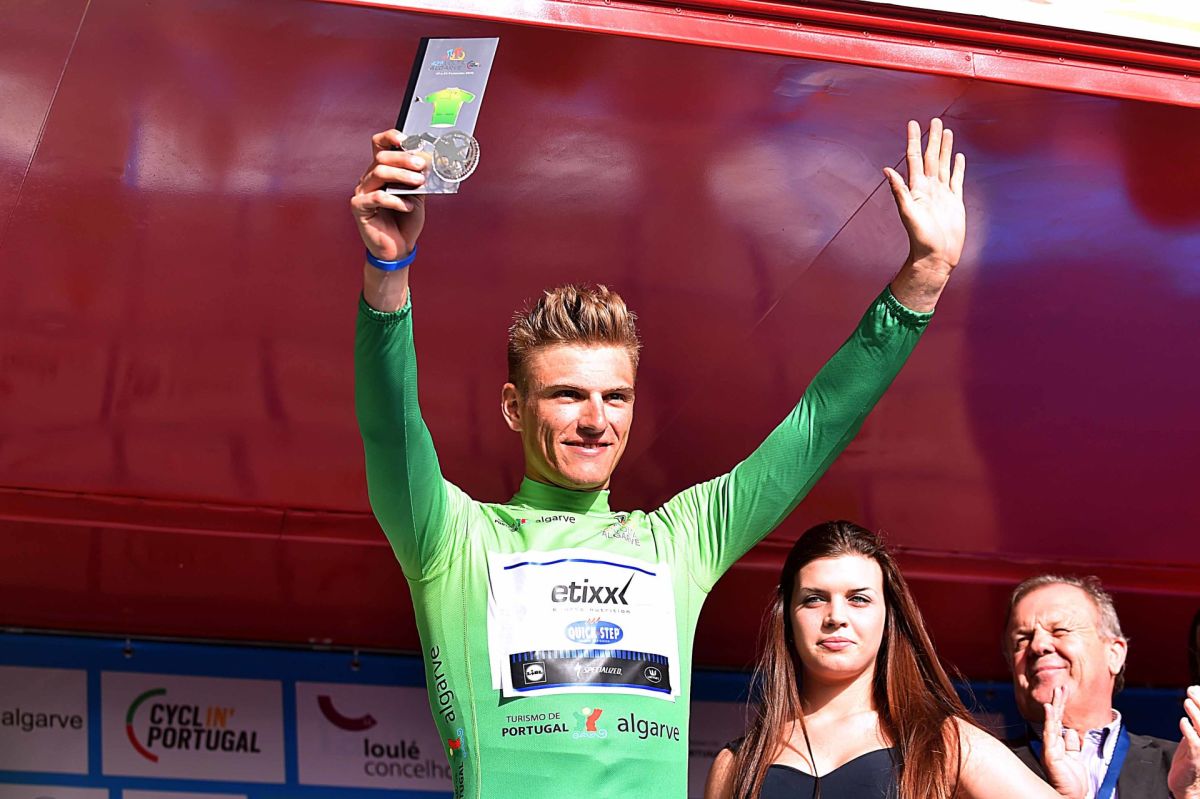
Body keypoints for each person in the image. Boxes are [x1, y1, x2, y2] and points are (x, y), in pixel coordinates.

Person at [350, 118, 965, 798]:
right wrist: (388, 272)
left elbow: (816, 425)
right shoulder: (454, 539)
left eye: (616, 397)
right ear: (513, 407)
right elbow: (390, 427)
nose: (596, 420)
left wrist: (923, 279)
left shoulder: (681, 540)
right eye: (567, 395)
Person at [704, 521, 1086, 799]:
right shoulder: (736, 764)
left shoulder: (943, 742)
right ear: (788, 616)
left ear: (889, 619)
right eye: (815, 598)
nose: (836, 616)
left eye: (858, 599)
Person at [1004, 574, 1200, 798]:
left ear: (1114, 654)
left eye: (1060, 631)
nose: (1038, 645)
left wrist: (1191, 793)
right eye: (1022, 640)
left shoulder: (1187, 768)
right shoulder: (985, 771)